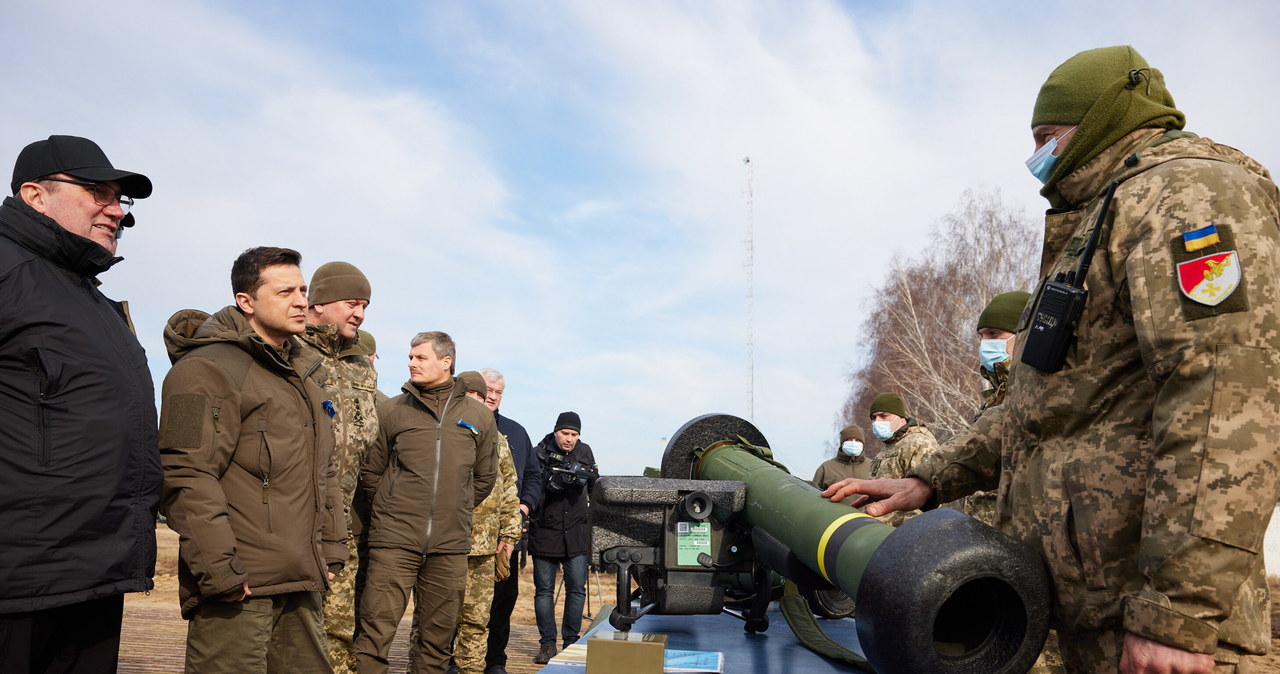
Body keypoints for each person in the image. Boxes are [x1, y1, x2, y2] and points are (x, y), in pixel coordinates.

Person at [824, 46, 1280, 673]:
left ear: (1100, 119)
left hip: (1156, 629)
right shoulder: (1102, 218)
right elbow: (1039, 411)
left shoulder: (1189, 196)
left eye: (1047, 137)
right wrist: (931, 478)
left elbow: (1228, 398)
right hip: (1087, 613)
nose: (1038, 157)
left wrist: (1179, 614)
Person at [0, 135, 160, 672]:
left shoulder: (86, 294)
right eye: (97, 191)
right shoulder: (7, 272)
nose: (116, 211)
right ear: (34, 195)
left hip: (90, 573)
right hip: (19, 584)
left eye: (120, 199)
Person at [159, 246, 346, 672]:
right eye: (285, 292)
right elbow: (183, 472)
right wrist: (219, 571)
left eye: (302, 289)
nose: (301, 300)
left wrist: (331, 548)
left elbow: (325, 470)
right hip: (239, 587)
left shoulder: (305, 374)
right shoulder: (200, 370)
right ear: (246, 301)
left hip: (301, 579)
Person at [355, 332, 497, 674]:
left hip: (449, 545)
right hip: (394, 541)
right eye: (411, 356)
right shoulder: (391, 411)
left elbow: (483, 478)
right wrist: (395, 506)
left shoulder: (479, 417)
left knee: (436, 642)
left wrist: (454, 508)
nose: (411, 362)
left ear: (446, 362)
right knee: (374, 635)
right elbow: (372, 472)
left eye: (420, 357)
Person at [298, 261, 379, 674]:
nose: (360, 314)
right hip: (297, 520)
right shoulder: (292, 351)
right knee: (293, 631)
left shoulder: (360, 364)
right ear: (319, 303)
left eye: (364, 305)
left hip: (347, 524)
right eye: (352, 303)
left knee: (339, 630)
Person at [422, 371, 520, 674]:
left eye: (486, 396)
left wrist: (510, 535)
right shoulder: (439, 433)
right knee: (436, 622)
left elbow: (510, 489)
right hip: (444, 545)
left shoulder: (498, 441)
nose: (481, 401)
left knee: (476, 622)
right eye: (475, 396)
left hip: (484, 549)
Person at [479, 367, 541, 674]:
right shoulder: (456, 424)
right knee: (463, 601)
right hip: (465, 534)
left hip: (506, 537)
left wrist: (526, 506)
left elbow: (533, 474)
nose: (492, 395)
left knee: (503, 600)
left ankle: (495, 662)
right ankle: (453, 662)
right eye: (487, 389)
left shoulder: (516, 432)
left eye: (498, 392)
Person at [529, 412, 599, 665]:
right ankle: (547, 644)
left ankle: (571, 642)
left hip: (577, 533)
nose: (569, 439)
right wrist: (551, 481)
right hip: (545, 531)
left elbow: (595, 486)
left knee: (577, 590)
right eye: (565, 433)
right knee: (544, 591)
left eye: (574, 434)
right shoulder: (539, 452)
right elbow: (531, 488)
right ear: (555, 431)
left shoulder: (585, 452)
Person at [964, 290, 1031, 526]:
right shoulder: (992, 400)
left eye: (994, 334)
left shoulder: (1037, 395)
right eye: (982, 336)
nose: (985, 344)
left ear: (1023, 335)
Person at [866, 393, 938, 526]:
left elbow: (924, 496)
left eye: (883, 416)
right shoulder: (886, 450)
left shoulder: (919, 443)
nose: (877, 422)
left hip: (904, 534)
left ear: (900, 417)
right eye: (874, 418)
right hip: (878, 530)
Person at [811, 424, 870, 502]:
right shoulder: (826, 468)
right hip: (836, 514)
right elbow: (814, 497)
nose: (853, 443)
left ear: (863, 444)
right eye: (849, 439)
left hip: (869, 513)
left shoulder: (874, 466)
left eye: (857, 440)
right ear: (842, 443)